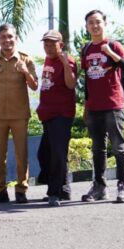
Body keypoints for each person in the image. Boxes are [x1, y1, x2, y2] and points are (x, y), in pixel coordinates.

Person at [81, 10, 124, 203]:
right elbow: (87, 81)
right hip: (94, 106)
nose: (94, 26)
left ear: (104, 23)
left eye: (98, 22)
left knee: (118, 147)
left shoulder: (114, 45)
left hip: (113, 104)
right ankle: (99, 186)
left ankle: (123, 185)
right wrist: (86, 107)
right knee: (97, 149)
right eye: (90, 23)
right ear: (86, 26)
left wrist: (111, 54)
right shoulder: (86, 50)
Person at [0, 24, 38, 204]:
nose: (7, 40)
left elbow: (34, 86)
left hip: (20, 114)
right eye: (3, 37)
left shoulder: (25, 59)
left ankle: (21, 190)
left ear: (16, 38)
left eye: (10, 37)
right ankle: (0, 191)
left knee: (21, 154)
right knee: (0, 155)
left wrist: (24, 72)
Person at [36, 30, 77, 207]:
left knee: (57, 155)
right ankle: (64, 189)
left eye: (53, 43)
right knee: (45, 154)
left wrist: (65, 63)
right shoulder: (47, 60)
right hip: (47, 114)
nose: (49, 47)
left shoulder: (67, 60)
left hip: (61, 114)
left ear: (61, 44)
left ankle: (54, 193)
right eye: (46, 43)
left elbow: (70, 84)